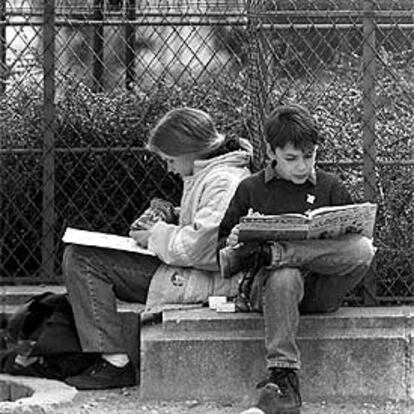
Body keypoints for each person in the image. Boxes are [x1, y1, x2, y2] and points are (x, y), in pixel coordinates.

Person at [62, 107, 253, 390]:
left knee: (83, 260)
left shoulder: (223, 180)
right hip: (192, 271)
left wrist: (154, 234)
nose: (169, 168)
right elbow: (206, 224)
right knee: (81, 255)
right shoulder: (211, 172)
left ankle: (115, 364)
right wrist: (171, 214)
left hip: (206, 280)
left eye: (170, 159)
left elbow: (204, 248)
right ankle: (111, 360)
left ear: (191, 151)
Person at [217, 104, 376, 414]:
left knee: (362, 249)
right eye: (291, 158)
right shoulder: (250, 189)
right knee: (285, 274)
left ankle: (276, 254)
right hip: (269, 291)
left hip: (320, 289)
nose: (302, 166)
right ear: (271, 151)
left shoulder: (330, 186)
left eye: (309, 156)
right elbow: (221, 250)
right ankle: (284, 378)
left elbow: (355, 245)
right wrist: (235, 240)